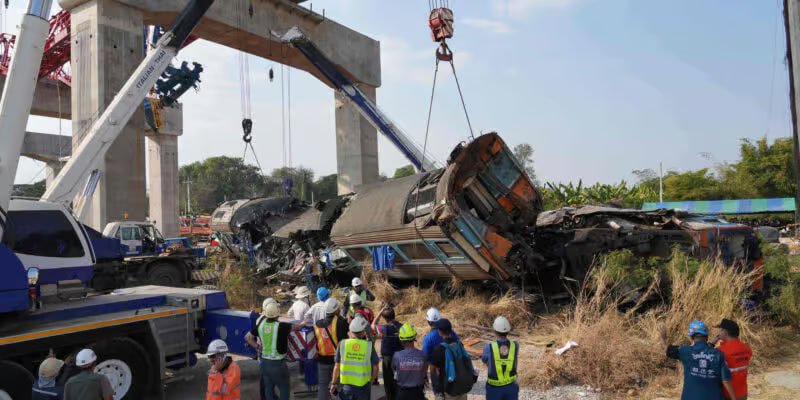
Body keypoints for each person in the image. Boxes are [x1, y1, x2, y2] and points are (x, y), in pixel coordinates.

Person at [661, 321, 736, 400]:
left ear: (691, 337)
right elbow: (726, 380)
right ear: (706, 336)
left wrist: (663, 338)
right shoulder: (718, 355)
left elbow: (666, 349)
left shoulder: (685, 351)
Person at [245, 303, 293, 400]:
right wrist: (303, 323)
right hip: (278, 364)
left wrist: (257, 346)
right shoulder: (281, 326)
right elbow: (296, 327)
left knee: (268, 389)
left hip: (264, 363)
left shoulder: (260, 326)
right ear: (277, 314)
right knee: (284, 388)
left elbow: (247, 337)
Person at [330, 316, 380, 400]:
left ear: (351, 331)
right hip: (364, 388)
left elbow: (337, 366)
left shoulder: (342, 344)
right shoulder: (369, 346)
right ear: (364, 332)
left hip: (347, 388)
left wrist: (334, 383)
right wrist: (371, 380)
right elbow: (375, 368)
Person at [429, 319, 476, 400]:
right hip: (462, 388)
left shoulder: (439, 349)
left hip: (449, 391)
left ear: (440, 332)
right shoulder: (459, 344)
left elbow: (432, 370)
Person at [314, 298, 350, 400]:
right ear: (336, 310)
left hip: (322, 359)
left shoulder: (317, 324)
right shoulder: (341, 322)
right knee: (339, 385)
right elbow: (345, 339)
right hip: (337, 360)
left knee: (323, 387)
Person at [421, 308, 458, 399]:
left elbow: (425, 358)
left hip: (436, 371)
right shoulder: (451, 332)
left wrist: (424, 375)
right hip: (453, 367)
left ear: (428, 322)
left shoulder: (428, 338)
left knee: (439, 394)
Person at [371, 304, 403, 400]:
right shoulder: (402, 326)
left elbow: (372, 325)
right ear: (394, 315)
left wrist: (380, 312)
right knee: (399, 379)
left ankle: (390, 397)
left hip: (387, 359)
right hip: (400, 357)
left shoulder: (383, 328)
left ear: (384, 318)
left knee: (388, 380)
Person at [714, 319, 752, 400]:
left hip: (727, 394)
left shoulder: (720, 351)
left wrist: (713, 341)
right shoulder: (746, 348)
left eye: (720, 330)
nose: (719, 333)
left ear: (725, 332)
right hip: (742, 392)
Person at [482, 316, 519, 400]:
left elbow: (484, 360)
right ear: (508, 331)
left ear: (495, 331)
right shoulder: (515, 345)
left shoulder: (488, 347)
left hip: (494, 388)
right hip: (511, 386)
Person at [392, 323, 428, 400]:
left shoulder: (396, 356)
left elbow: (395, 372)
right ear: (414, 338)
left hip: (402, 393)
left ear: (401, 340)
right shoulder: (422, 355)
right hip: (418, 393)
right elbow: (424, 373)